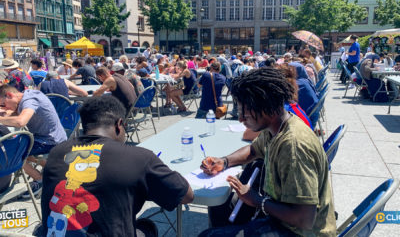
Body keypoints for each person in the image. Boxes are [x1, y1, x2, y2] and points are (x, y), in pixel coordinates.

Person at [199, 68, 335, 236]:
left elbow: (303, 219)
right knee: (219, 209)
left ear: (267, 109)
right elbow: (253, 149)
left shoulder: (293, 146)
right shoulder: (275, 127)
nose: (240, 118)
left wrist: (256, 200)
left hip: (298, 231)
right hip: (283, 219)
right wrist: (224, 161)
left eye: (244, 112)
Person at [40, 95, 194, 236]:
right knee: (147, 227)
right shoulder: (140, 157)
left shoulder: (56, 153)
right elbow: (186, 196)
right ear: (119, 124)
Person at [0, 85, 67, 196]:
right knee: (19, 150)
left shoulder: (29, 100)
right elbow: (15, 113)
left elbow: (20, 122)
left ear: (9, 95)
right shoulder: (28, 94)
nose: (4, 108)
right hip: (53, 136)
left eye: (3, 104)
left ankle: (40, 180)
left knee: (13, 154)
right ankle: (56, 169)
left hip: (50, 141)